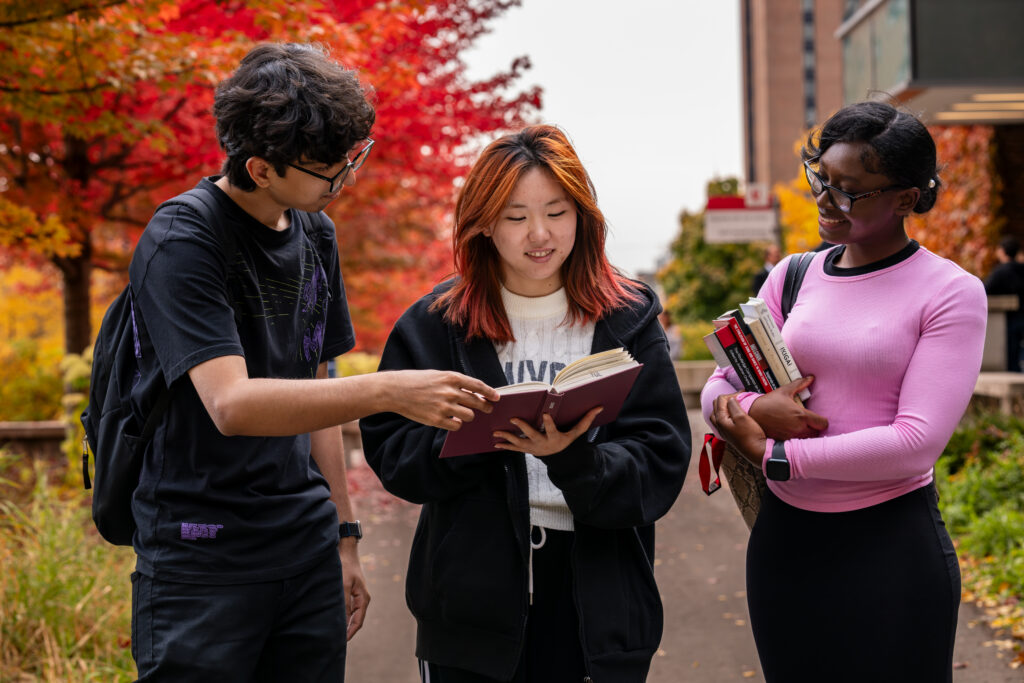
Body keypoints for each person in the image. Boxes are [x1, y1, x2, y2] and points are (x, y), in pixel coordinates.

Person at [125, 43, 500, 681]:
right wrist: (389, 390)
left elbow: (317, 384)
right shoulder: (183, 239)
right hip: (202, 557)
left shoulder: (314, 231)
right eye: (329, 171)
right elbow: (232, 405)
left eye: (351, 159)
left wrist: (344, 537)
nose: (345, 180)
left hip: (304, 548)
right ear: (261, 169)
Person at [359, 125, 691, 683]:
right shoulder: (438, 322)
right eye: (515, 217)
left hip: (596, 597)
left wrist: (575, 460)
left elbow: (659, 463)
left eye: (557, 212)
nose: (539, 234)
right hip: (471, 603)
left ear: (582, 215)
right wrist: (471, 439)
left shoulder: (626, 318)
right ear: (484, 223)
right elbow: (392, 450)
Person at [701, 101, 986, 682]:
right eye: (821, 180)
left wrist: (776, 456)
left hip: (892, 551)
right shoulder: (793, 274)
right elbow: (716, 390)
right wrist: (759, 408)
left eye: (850, 191)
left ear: (905, 199)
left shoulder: (951, 292)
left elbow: (915, 443)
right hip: (787, 546)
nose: (826, 202)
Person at [983, 236, 1024, 371]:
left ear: (1002, 251)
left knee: (1012, 356)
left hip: (1011, 320)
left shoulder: (1001, 272)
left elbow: (984, 290)